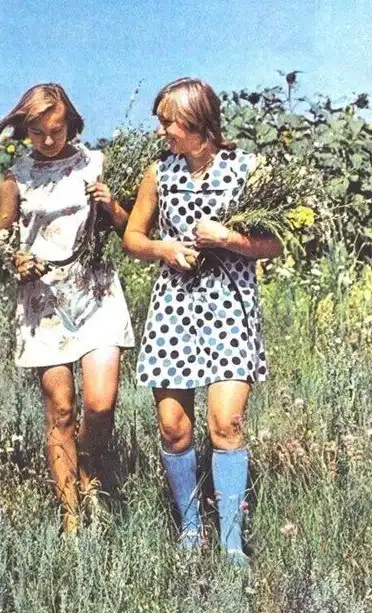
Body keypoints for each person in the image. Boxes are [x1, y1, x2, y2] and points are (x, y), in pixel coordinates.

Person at [123, 78, 282, 563]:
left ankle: (232, 542)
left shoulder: (248, 168)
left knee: (226, 424)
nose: (162, 131)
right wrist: (164, 249)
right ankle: (191, 531)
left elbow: (273, 244)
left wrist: (228, 238)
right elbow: (132, 236)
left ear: (197, 121)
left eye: (168, 121)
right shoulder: (159, 172)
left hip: (230, 307)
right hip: (173, 308)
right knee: (173, 428)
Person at [0, 84, 135, 532]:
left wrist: (113, 206)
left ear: (71, 123)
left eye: (56, 130)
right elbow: (0, 239)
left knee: (101, 403)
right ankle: (71, 516)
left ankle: (90, 469)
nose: (49, 140)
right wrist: (16, 259)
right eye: (37, 133)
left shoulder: (96, 164)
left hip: (96, 290)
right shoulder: (15, 177)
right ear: (25, 130)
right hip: (43, 299)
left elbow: (132, 229)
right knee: (61, 410)